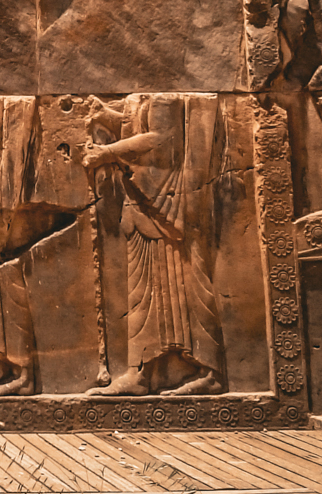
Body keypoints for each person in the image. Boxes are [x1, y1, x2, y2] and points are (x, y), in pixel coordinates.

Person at [83, 93, 225, 397]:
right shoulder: (142, 96)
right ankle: (142, 372)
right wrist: (107, 116)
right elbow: (137, 124)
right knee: (143, 293)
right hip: (144, 201)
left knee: (188, 286)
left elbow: (161, 138)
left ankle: (209, 372)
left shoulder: (166, 96)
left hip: (166, 203)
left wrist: (107, 152)